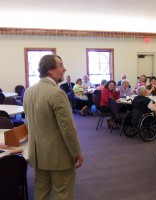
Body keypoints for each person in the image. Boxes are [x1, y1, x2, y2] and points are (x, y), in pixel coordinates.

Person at [23, 54, 83, 199]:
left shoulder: (28, 92)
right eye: (61, 65)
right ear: (50, 70)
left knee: (41, 193)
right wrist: (76, 152)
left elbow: (28, 123)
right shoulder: (57, 93)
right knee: (63, 194)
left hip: (38, 154)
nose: (64, 69)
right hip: (58, 157)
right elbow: (67, 129)